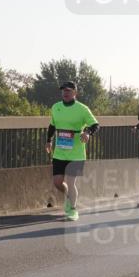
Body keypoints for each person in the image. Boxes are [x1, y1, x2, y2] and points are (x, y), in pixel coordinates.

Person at [45, 82, 98, 221]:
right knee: (57, 182)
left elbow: (95, 125)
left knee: (70, 181)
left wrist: (87, 132)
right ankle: (68, 194)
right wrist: (49, 141)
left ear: (75, 92)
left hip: (76, 153)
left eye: (68, 90)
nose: (65, 93)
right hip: (60, 152)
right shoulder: (56, 107)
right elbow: (52, 125)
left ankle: (73, 210)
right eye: (63, 91)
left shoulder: (82, 109)